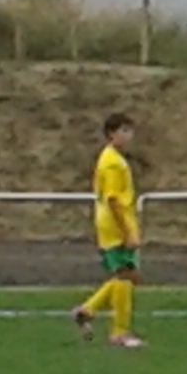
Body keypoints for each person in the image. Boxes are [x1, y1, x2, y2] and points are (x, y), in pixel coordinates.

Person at [72, 112, 145, 348]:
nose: (129, 136)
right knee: (125, 275)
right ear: (111, 134)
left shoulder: (111, 158)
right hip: (115, 227)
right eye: (124, 131)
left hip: (112, 224)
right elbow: (114, 200)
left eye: (130, 131)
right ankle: (119, 332)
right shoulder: (113, 162)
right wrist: (127, 232)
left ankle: (88, 310)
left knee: (126, 276)